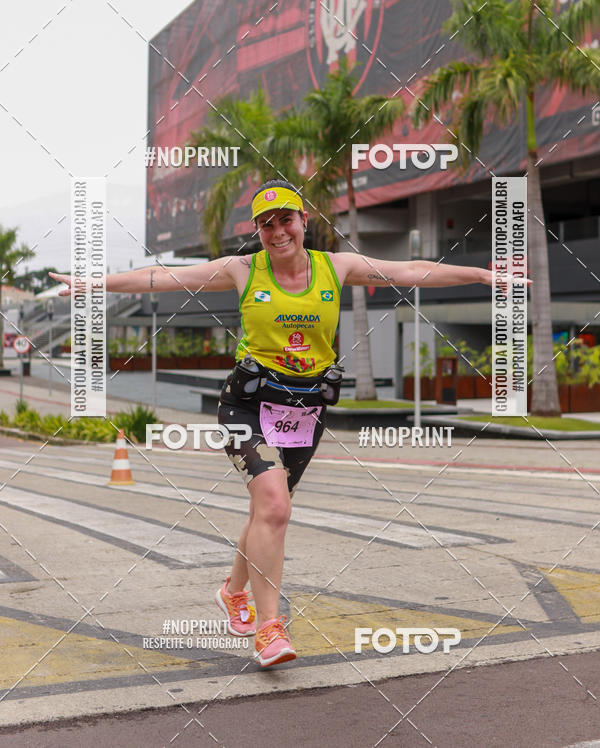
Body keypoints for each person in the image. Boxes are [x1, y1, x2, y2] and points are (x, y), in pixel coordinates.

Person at [50, 178, 498, 668]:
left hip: (305, 411)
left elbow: (410, 270)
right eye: (266, 223)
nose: (277, 231)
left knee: (268, 513)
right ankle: (269, 629)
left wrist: (479, 274)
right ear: (257, 230)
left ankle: (231, 591)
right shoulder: (242, 270)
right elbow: (162, 277)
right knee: (275, 507)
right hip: (247, 405)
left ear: (304, 220)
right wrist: (96, 283)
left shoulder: (336, 266)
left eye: (286, 219)